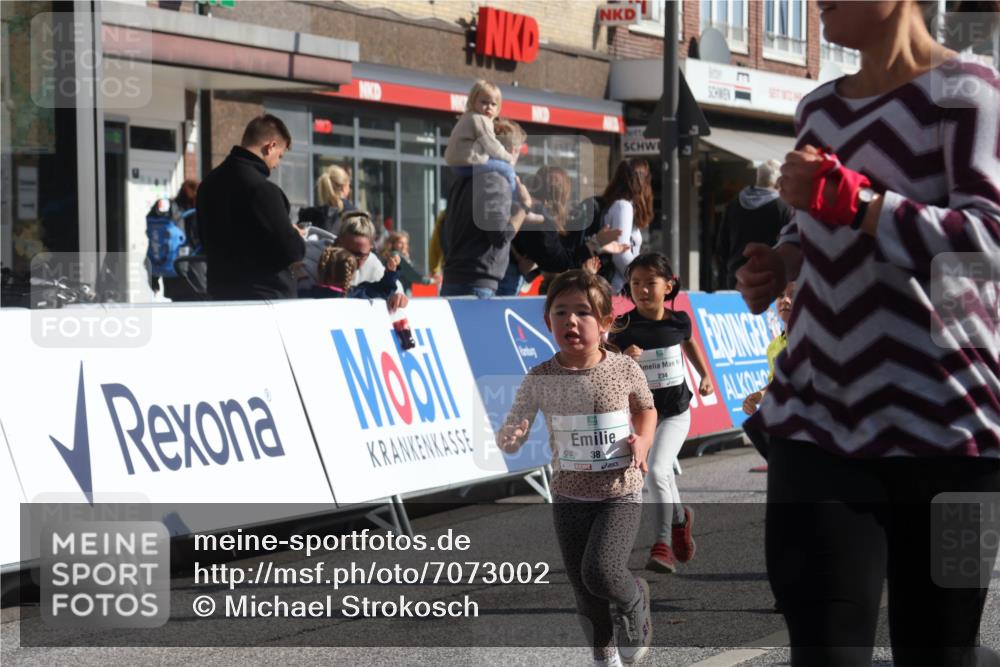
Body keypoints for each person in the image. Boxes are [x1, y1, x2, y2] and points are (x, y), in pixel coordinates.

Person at [736, 2, 1000, 664]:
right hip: (818, 415)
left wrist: (858, 204)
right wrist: (782, 261)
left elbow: (989, 243)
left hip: (956, 432)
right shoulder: (818, 109)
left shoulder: (970, 90)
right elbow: (809, 226)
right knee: (823, 648)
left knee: (941, 650)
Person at [499, 270, 657, 667]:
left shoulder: (622, 369)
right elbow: (518, 419)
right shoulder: (540, 377)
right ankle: (605, 660)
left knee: (601, 572)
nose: (571, 321)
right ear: (547, 321)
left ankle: (634, 597)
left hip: (619, 490)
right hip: (569, 495)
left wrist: (644, 440)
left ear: (605, 322)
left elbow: (646, 410)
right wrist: (513, 434)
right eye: (561, 312)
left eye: (584, 312)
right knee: (583, 590)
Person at [610, 253, 714, 574]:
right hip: (643, 416)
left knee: (656, 472)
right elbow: (608, 366)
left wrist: (704, 374)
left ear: (668, 286)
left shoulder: (678, 320)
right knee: (662, 473)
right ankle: (681, 520)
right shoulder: (623, 326)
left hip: (676, 412)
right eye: (635, 283)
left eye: (650, 283)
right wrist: (624, 357)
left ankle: (662, 544)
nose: (642, 290)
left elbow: (689, 343)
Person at [197, 114, 305, 300]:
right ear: (270, 146)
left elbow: (203, 239)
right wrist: (295, 234)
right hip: (264, 299)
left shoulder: (208, 184)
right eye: (280, 156)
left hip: (220, 294)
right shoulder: (262, 190)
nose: (277, 165)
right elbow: (291, 250)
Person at [440, 117, 533, 298]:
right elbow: (500, 235)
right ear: (512, 150)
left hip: (455, 277)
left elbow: (446, 229)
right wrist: (525, 207)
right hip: (477, 283)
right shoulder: (495, 180)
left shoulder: (464, 178)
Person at [510, 166, 628, 286]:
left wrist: (598, 246)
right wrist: (596, 242)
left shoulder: (534, 210)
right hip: (510, 276)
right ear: (561, 194)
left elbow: (559, 251)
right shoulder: (541, 217)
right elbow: (560, 262)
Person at [714, 160, 795, 290]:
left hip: (736, 277)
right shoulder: (783, 207)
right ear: (777, 182)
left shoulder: (734, 203)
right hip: (768, 279)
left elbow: (722, 245)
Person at [444, 80, 517, 196]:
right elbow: (491, 145)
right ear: (473, 101)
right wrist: (509, 158)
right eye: (484, 102)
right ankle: (515, 199)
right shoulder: (480, 119)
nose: (489, 107)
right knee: (507, 169)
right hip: (469, 163)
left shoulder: (467, 117)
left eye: (493, 104)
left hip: (457, 165)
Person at [335, 210, 408, 312]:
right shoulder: (319, 256)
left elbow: (387, 287)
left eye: (361, 255)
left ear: (370, 249)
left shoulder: (372, 262)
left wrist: (397, 295)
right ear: (338, 243)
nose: (354, 259)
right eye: (349, 252)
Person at [742, 281, 795, 417]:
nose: (785, 300)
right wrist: (757, 396)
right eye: (780, 295)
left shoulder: (817, 340)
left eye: (793, 295)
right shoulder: (773, 348)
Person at [601, 159, 654, 294]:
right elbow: (620, 253)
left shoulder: (619, 205)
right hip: (620, 290)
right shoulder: (623, 207)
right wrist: (642, 281)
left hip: (621, 287)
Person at [301, 245, 401, 300]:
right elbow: (384, 291)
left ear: (320, 270)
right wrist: (391, 272)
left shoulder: (304, 295)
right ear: (351, 275)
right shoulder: (357, 295)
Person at [298, 165, 353, 234]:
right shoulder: (354, 215)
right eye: (349, 185)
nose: (350, 189)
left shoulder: (309, 216)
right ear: (343, 188)